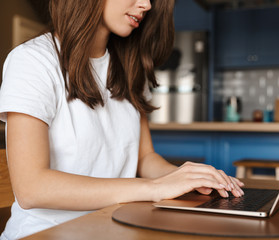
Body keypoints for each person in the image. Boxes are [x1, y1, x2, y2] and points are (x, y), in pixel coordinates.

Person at [0, 0, 244, 239]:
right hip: (45, 234)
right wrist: (155, 188)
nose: (147, 5)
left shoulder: (130, 67)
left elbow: (144, 158)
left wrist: (189, 179)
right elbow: (32, 188)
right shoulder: (32, 61)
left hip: (116, 226)